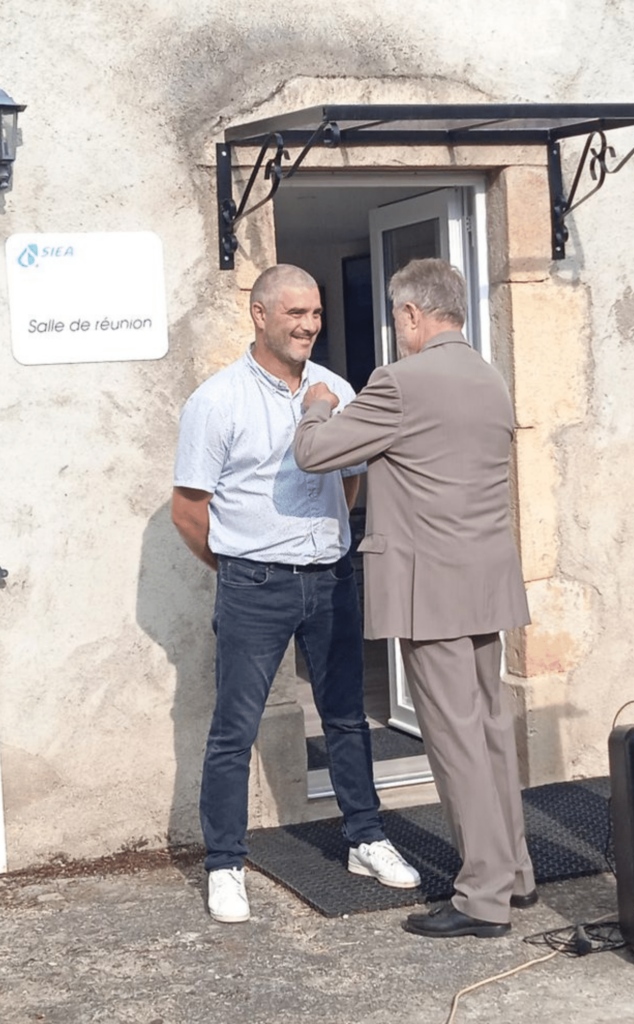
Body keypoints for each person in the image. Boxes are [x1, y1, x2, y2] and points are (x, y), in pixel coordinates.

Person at [294, 258, 536, 939]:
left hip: (432, 586)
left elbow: (316, 453)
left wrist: (315, 406)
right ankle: (512, 874)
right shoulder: (490, 379)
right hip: (486, 579)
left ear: (411, 315)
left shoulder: (399, 383)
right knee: (488, 733)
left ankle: (481, 898)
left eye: (397, 317)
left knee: (456, 744)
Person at [171, 264, 420, 924]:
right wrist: (237, 568)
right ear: (258, 315)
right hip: (254, 584)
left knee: (345, 719)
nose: (310, 324)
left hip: (332, 581)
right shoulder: (216, 401)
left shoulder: (337, 390)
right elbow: (188, 509)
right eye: (295, 314)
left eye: (315, 313)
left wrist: (322, 548)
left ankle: (365, 838)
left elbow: (351, 482)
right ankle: (224, 862)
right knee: (234, 730)